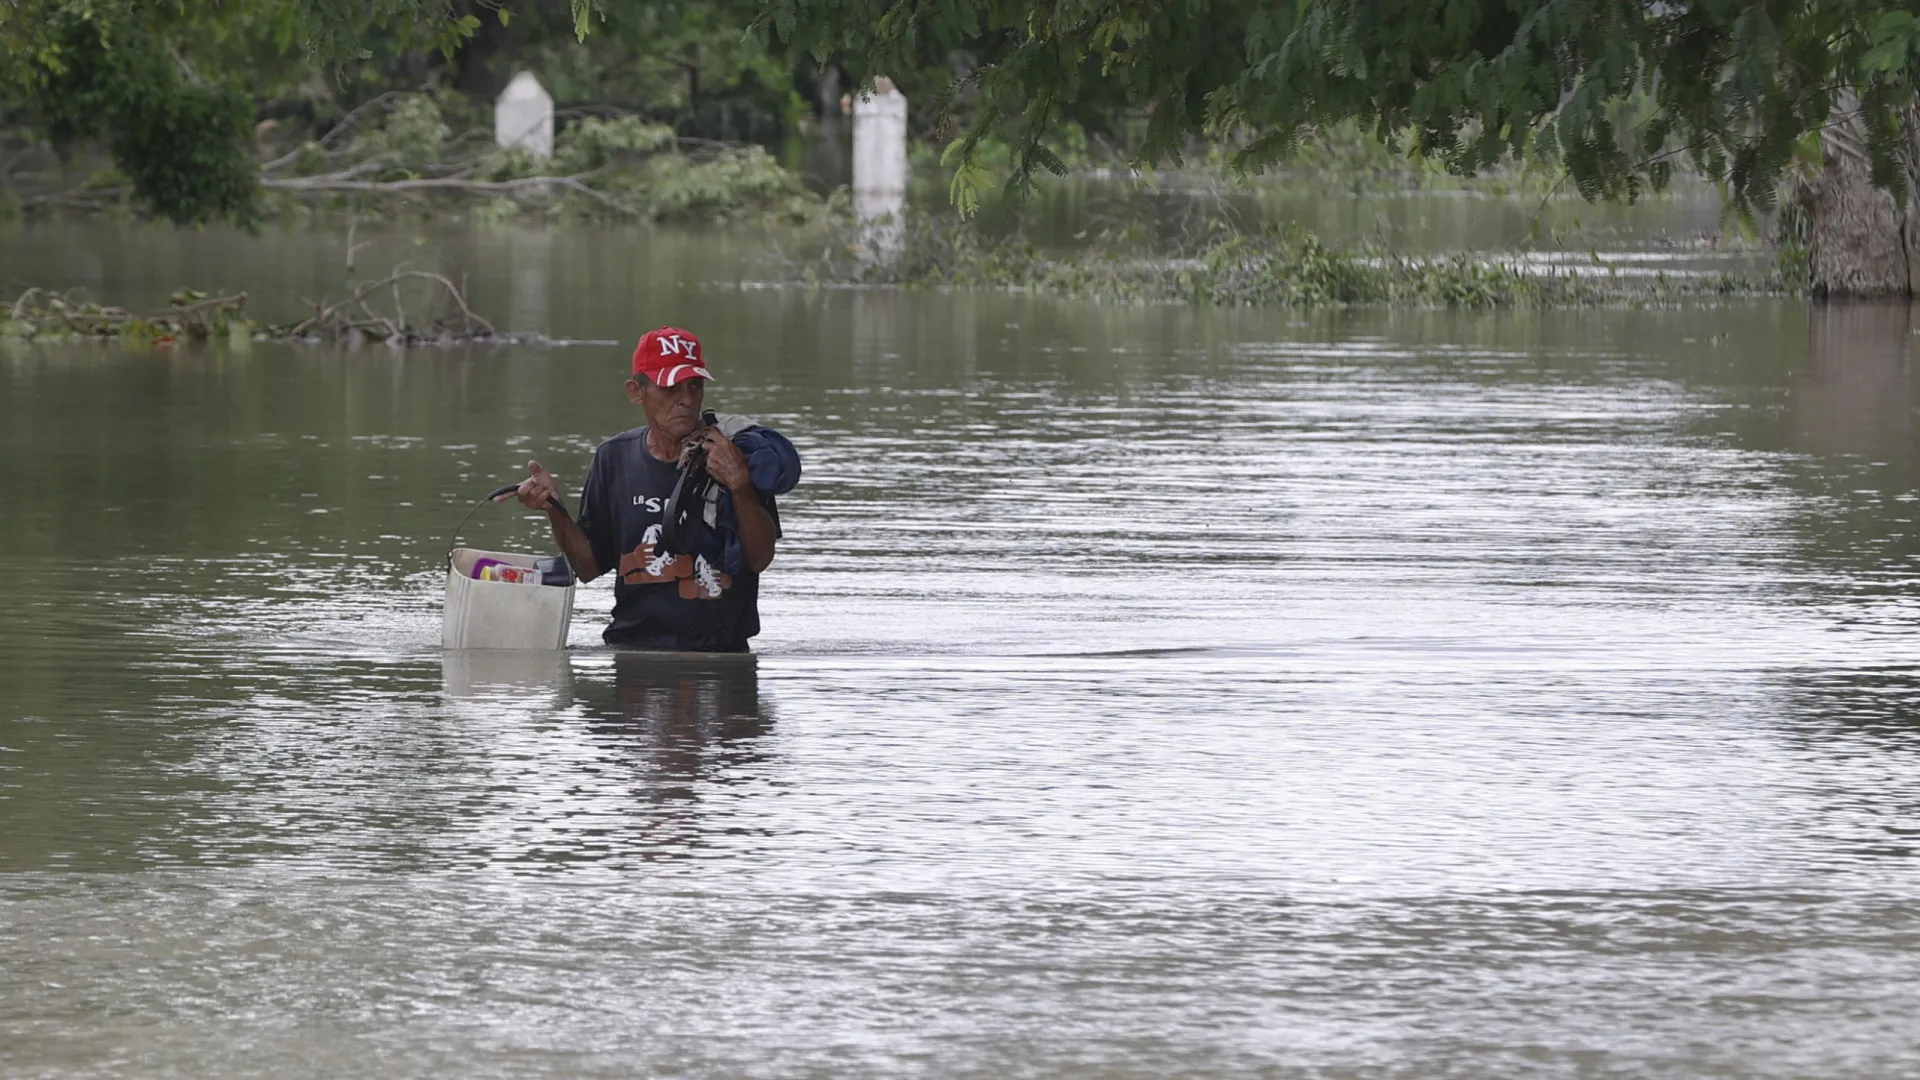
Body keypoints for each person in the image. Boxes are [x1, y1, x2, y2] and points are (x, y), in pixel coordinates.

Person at [508, 327, 801, 652]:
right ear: (636, 391)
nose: (686, 400)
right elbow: (588, 568)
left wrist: (740, 485)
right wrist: (554, 509)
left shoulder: (734, 454)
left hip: (721, 655)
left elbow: (759, 559)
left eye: (695, 386)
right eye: (671, 388)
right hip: (633, 651)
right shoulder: (613, 457)